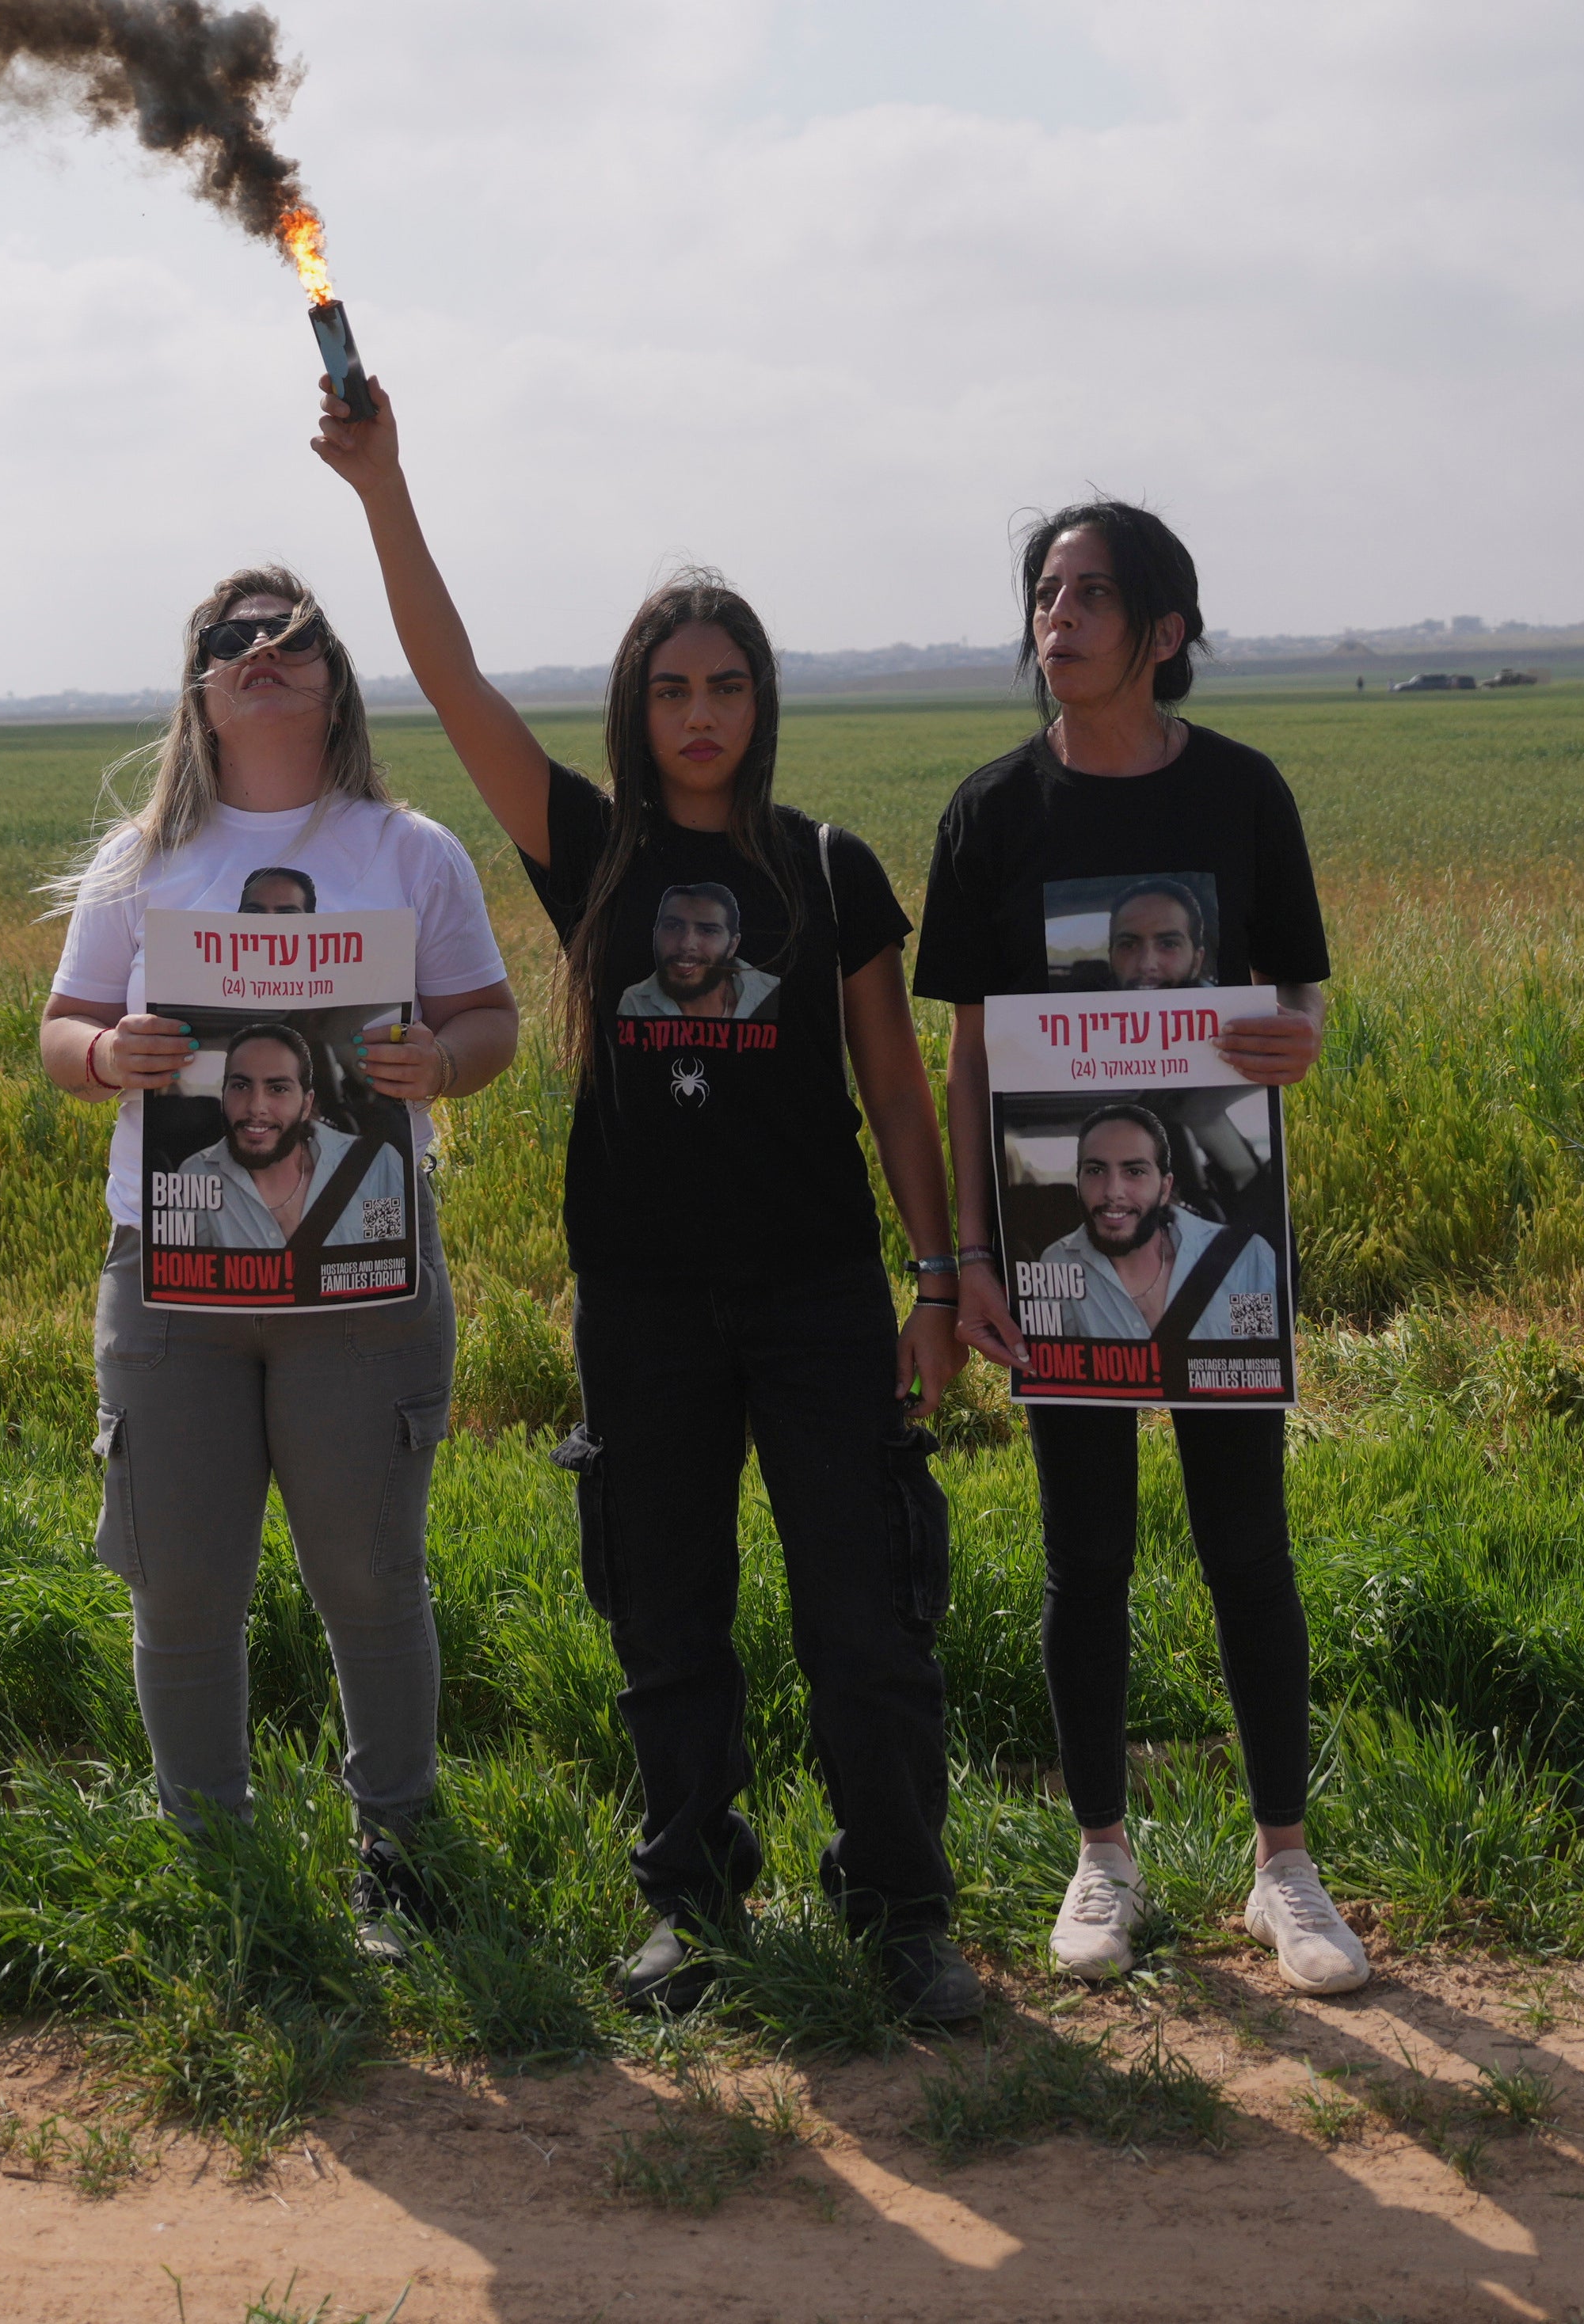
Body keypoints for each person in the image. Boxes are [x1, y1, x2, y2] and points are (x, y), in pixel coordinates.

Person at [315, 379, 986, 2029]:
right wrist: (382, 486)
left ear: (763, 701)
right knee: (666, 1621)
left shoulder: (823, 867)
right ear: (636, 705)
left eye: (727, 684)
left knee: (865, 1617)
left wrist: (939, 1274)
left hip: (820, 1296)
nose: (701, 713)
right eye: (672, 687)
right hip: (642, 1302)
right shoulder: (592, 850)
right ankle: (692, 1904)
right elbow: (453, 683)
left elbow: (896, 1090)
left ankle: (903, 1911)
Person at [916, 498, 1368, 1996]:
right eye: (1045, 591)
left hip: (1223, 1245)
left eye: (1090, 594)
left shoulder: (1243, 792)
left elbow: (1294, 1002)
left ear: (1164, 630)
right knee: (1084, 1551)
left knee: (1249, 1544)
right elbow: (971, 1056)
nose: (1057, 616)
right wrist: (972, 1251)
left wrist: (1294, 1037)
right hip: (1053, 1244)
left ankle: (1283, 1866)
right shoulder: (992, 812)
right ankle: (1101, 1857)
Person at [40, 569, 524, 1958]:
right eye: (232, 638)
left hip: (363, 1276)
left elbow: (488, 1021)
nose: (262, 651)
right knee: (182, 1583)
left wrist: (439, 1064)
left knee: (368, 1575)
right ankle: (217, 1866)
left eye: (291, 635)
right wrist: (107, 1054)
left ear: (334, 676)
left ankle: (400, 1852)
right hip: (171, 1280)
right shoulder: (141, 859)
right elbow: (61, 1030)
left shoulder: (409, 850)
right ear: (198, 686)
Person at [1025, 1105, 1278, 1343]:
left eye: (1134, 1171)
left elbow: (1260, 1359)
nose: (1112, 1192)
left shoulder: (1242, 1260)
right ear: (1078, 1182)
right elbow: (1050, 1363)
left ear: (1165, 1188)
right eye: (1096, 1171)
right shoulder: (1058, 1263)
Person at [204, 1024, 409, 1252]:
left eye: (278, 1089)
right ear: (223, 1095)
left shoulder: (372, 1168)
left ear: (306, 1104)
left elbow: (392, 1259)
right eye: (241, 1086)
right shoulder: (197, 1174)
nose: (256, 1107)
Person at [620, 881, 782, 1020]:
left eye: (708, 930)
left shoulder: (771, 994)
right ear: (655, 934)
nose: (686, 944)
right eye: (673, 926)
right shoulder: (635, 1002)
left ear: (733, 945)